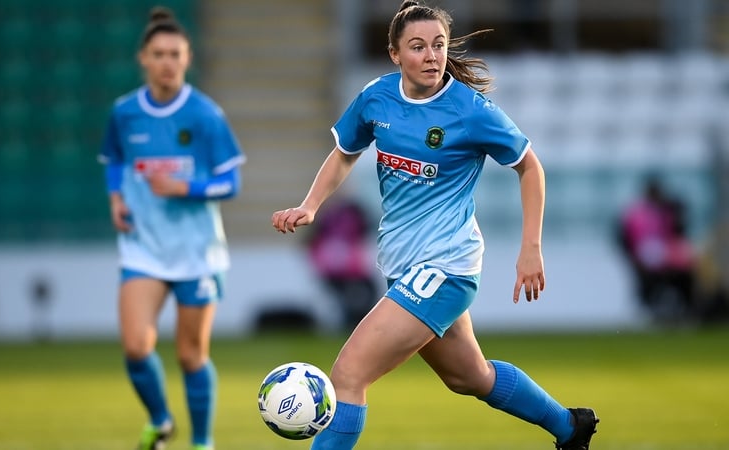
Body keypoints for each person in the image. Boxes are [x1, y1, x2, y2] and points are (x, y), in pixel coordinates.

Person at [270, 2, 598, 449]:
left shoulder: (470, 110)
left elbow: (530, 167)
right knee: (469, 377)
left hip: (445, 266)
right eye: (418, 46)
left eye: (439, 45)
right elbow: (346, 151)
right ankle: (569, 427)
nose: (431, 56)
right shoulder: (376, 97)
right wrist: (311, 205)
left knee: (348, 374)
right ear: (394, 54)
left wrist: (530, 248)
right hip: (403, 267)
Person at [98, 6, 245, 450]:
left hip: (196, 252)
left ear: (188, 57)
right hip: (143, 247)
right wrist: (117, 198)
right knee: (136, 347)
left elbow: (231, 182)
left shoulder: (204, 115)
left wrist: (185, 186)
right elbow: (113, 159)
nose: (167, 62)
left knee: (190, 355)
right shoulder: (124, 113)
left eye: (175, 54)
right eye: (158, 54)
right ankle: (161, 421)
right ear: (143, 58)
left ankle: (201, 443)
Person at [617, 176, 697, 319]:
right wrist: (634, 261)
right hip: (648, 260)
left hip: (666, 258)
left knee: (686, 273)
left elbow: (678, 233)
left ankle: (688, 308)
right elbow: (625, 239)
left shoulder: (666, 213)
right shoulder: (636, 214)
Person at [305, 194, 379, 329]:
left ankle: (355, 321)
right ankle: (353, 322)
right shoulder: (334, 216)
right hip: (342, 267)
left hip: (345, 266)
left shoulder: (340, 214)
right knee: (354, 296)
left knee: (360, 294)